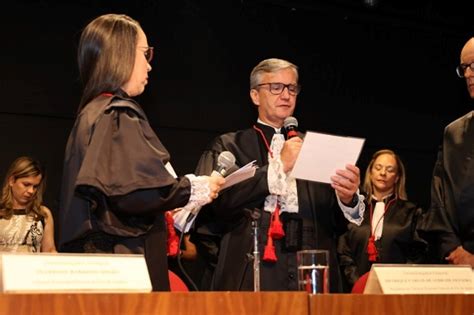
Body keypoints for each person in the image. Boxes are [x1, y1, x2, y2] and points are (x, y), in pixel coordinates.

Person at [58, 13, 224, 291]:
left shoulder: (91, 113)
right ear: (121, 53)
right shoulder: (117, 113)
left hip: (96, 266)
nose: (149, 65)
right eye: (145, 53)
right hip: (121, 267)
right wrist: (195, 188)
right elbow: (135, 192)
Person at [191, 58, 364, 292]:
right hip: (252, 263)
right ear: (255, 95)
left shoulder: (316, 148)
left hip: (310, 262)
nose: (286, 95)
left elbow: (333, 223)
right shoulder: (230, 146)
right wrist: (280, 164)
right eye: (276, 87)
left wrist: (347, 199)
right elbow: (215, 206)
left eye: (292, 88)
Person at [337, 149, 427, 292]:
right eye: (378, 168)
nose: (383, 173)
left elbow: (418, 253)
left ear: (397, 177)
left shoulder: (411, 212)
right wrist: (358, 283)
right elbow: (344, 252)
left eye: (390, 170)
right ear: (370, 172)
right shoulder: (353, 208)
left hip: (398, 290)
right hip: (358, 290)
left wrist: (400, 284)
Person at [422, 37, 474, 267]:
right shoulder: (453, 133)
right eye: (464, 68)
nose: (469, 74)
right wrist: (455, 249)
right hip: (458, 262)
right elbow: (438, 199)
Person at [0, 156, 56, 253]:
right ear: (12, 180)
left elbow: (49, 250)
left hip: (33, 268)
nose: (31, 191)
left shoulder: (43, 214)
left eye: (35, 186)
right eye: (26, 184)